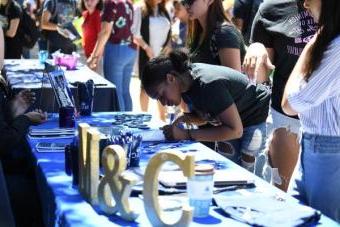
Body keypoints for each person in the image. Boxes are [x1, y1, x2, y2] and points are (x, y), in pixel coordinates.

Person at [141, 49, 270, 173]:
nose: (163, 103)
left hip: (256, 115)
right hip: (236, 120)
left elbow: (235, 130)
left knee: (248, 174)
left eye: (161, 95)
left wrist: (187, 134)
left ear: (170, 78)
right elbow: (210, 113)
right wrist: (187, 118)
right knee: (228, 167)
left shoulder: (207, 84)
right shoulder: (185, 82)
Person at [243, 0, 317, 191]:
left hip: (330, 122)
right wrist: (256, 48)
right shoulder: (271, 9)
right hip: (287, 119)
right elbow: (260, 78)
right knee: (281, 194)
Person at [282, 0, 340, 221]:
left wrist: (312, 44)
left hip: (328, 154)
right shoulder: (331, 42)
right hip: (315, 148)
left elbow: (290, 103)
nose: (305, 4)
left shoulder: (335, 46)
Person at [87, 0, 136, 112]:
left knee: (116, 92)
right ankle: (129, 124)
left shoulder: (110, 3)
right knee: (125, 91)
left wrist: (94, 56)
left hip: (116, 49)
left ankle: (120, 126)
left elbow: (105, 31)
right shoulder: (127, 3)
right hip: (130, 49)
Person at [134, 0, 171, 121]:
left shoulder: (165, 10)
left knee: (163, 87)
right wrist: (147, 48)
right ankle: (143, 118)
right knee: (145, 86)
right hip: (147, 54)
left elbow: (169, 33)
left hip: (162, 55)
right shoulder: (140, 9)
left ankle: (163, 119)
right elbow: (135, 33)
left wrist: (167, 48)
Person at [183, 0, 245, 71]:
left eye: (190, 1)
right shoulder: (197, 32)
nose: (186, 6)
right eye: (183, 1)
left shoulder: (224, 33)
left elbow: (235, 80)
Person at [80, 0, 103, 73]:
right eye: (86, 0)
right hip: (86, 56)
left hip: (94, 58)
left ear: (98, 1)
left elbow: (101, 39)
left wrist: (95, 59)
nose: (89, 2)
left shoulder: (98, 16)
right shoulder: (85, 14)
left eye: (92, 0)